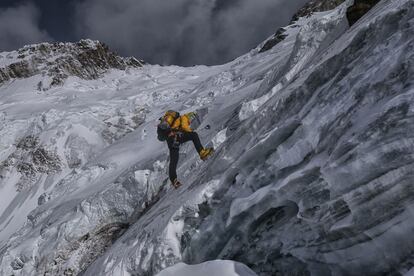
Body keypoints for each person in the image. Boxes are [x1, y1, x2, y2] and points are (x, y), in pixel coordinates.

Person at [157, 110, 213, 188]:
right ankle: (202, 153)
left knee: (173, 160)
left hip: (170, 140)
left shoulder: (168, 119)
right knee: (194, 135)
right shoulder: (184, 118)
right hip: (176, 137)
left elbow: (162, 136)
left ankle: (174, 180)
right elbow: (185, 128)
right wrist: (190, 131)